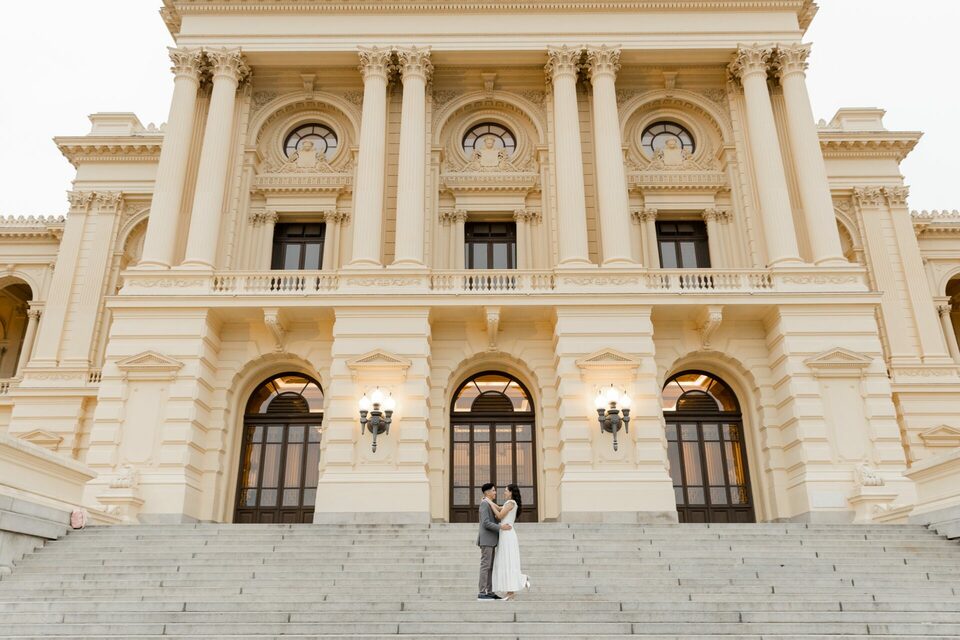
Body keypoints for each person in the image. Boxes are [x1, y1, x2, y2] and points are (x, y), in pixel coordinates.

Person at [485, 483, 531, 601]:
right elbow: (500, 508)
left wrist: (489, 503)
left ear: (511, 492)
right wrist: (489, 502)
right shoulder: (508, 503)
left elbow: (499, 515)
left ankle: (517, 585)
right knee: (506, 561)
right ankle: (511, 591)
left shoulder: (511, 503)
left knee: (508, 561)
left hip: (508, 535)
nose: (504, 492)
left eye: (506, 490)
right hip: (504, 534)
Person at [477, 482, 511, 601]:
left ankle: (490, 592)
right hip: (486, 540)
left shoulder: (488, 503)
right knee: (485, 566)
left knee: (490, 567)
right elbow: (486, 523)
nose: (495, 492)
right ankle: (482, 592)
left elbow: (500, 511)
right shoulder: (484, 504)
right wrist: (501, 527)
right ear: (487, 492)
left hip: (491, 540)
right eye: (493, 490)